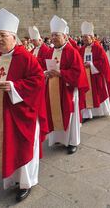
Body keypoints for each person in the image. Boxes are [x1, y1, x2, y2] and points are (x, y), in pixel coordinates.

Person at [0, 8, 48, 202]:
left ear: (13, 37)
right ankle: (11, 180)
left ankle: (26, 183)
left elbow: (37, 81)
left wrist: (12, 86)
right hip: (1, 113)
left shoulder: (26, 58)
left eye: (3, 35)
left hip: (22, 113)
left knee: (24, 148)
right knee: (8, 147)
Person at [44, 16, 89, 154]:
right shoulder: (51, 51)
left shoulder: (72, 52)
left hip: (68, 89)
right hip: (53, 88)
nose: (53, 38)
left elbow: (77, 72)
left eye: (56, 35)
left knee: (70, 115)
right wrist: (46, 73)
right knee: (54, 112)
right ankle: (57, 138)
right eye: (52, 35)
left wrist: (61, 73)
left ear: (64, 36)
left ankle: (72, 142)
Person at [79, 21, 110, 120]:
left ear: (91, 37)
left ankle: (100, 111)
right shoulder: (81, 49)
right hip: (86, 76)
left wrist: (91, 64)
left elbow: (103, 62)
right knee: (86, 94)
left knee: (97, 94)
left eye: (86, 37)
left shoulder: (98, 48)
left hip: (95, 76)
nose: (84, 39)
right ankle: (87, 114)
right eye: (83, 37)